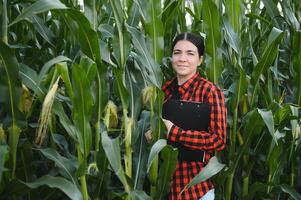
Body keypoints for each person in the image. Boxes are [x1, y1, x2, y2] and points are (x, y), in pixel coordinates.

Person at [145, 32, 227, 200]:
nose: (182, 58)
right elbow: (158, 124)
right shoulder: (164, 90)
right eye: (177, 53)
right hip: (165, 190)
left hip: (196, 191)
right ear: (171, 57)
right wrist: (152, 132)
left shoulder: (210, 91)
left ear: (200, 60)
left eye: (190, 53)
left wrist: (174, 132)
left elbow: (218, 140)